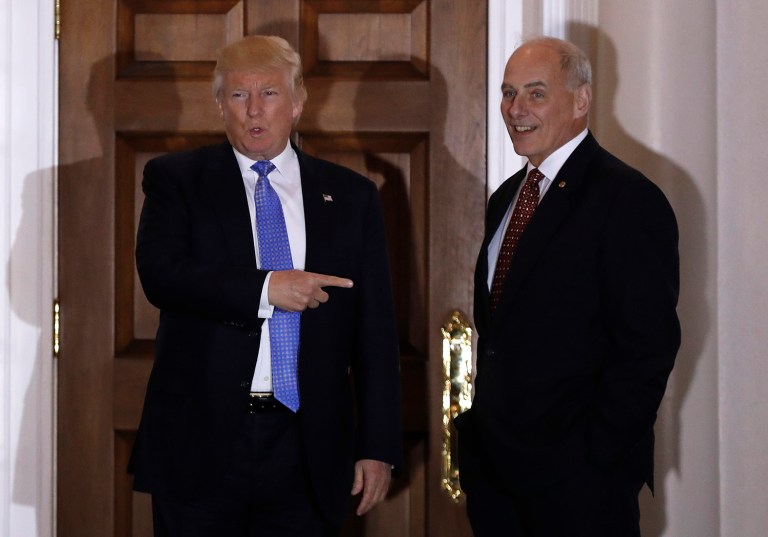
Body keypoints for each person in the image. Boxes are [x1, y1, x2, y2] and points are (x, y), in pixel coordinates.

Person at [128, 35, 402, 537]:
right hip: (201, 442)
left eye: (270, 93)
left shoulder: (351, 197)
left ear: (298, 102)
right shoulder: (176, 180)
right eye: (238, 95)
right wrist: (265, 289)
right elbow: (162, 275)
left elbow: (376, 334)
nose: (254, 109)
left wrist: (378, 446)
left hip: (308, 443)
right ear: (219, 106)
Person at [455, 37, 680, 536]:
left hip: (579, 488)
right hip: (497, 483)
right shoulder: (507, 199)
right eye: (508, 93)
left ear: (581, 100)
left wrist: (594, 460)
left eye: (536, 93)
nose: (515, 109)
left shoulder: (627, 199)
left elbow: (647, 349)